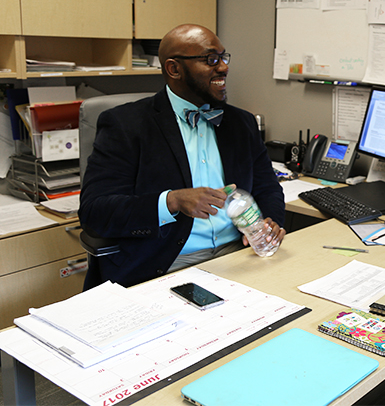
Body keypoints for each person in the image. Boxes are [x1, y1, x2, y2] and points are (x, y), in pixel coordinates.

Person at [79, 24, 286, 289]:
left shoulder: (241, 122)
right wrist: (172, 201)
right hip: (167, 263)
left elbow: (267, 187)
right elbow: (96, 212)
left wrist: (270, 222)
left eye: (224, 57)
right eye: (211, 60)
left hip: (239, 255)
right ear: (174, 69)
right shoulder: (126, 125)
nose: (223, 67)